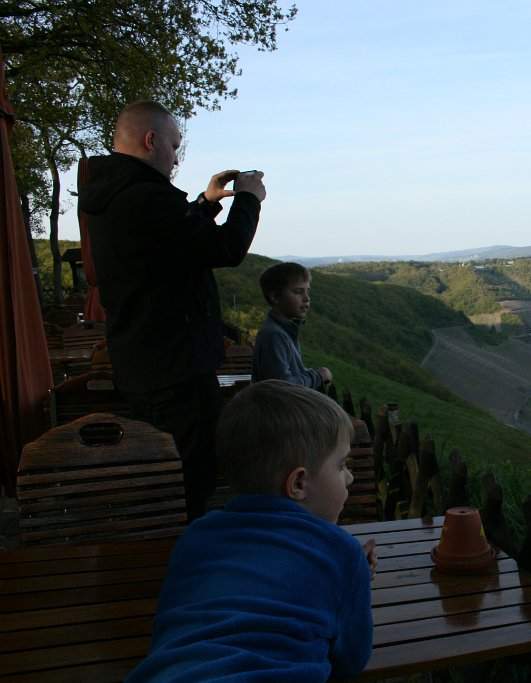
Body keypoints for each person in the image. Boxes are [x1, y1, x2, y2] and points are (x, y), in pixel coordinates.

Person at [80, 100, 266, 520]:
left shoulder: (116, 195)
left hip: (143, 359)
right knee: (189, 477)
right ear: (151, 141)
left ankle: (168, 551)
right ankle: (180, 563)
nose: (176, 155)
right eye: (175, 144)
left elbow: (169, 247)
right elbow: (224, 249)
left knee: (160, 470)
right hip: (175, 365)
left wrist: (207, 201)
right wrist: (249, 200)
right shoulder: (146, 196)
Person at [125, 380, 377, 682]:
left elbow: (170, 628)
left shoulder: (195, 537)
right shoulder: (341, 552)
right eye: (341, 465)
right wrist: (353, 577)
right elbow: (352, 660)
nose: (349, 477)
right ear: (298, 484)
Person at [252, 261, 333, 389]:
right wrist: (318, 376)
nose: (307, 298)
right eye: (298, 291)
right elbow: (282, 387)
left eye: (307, 291)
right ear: (274, 296)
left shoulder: (283, 330)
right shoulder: (274, 334)